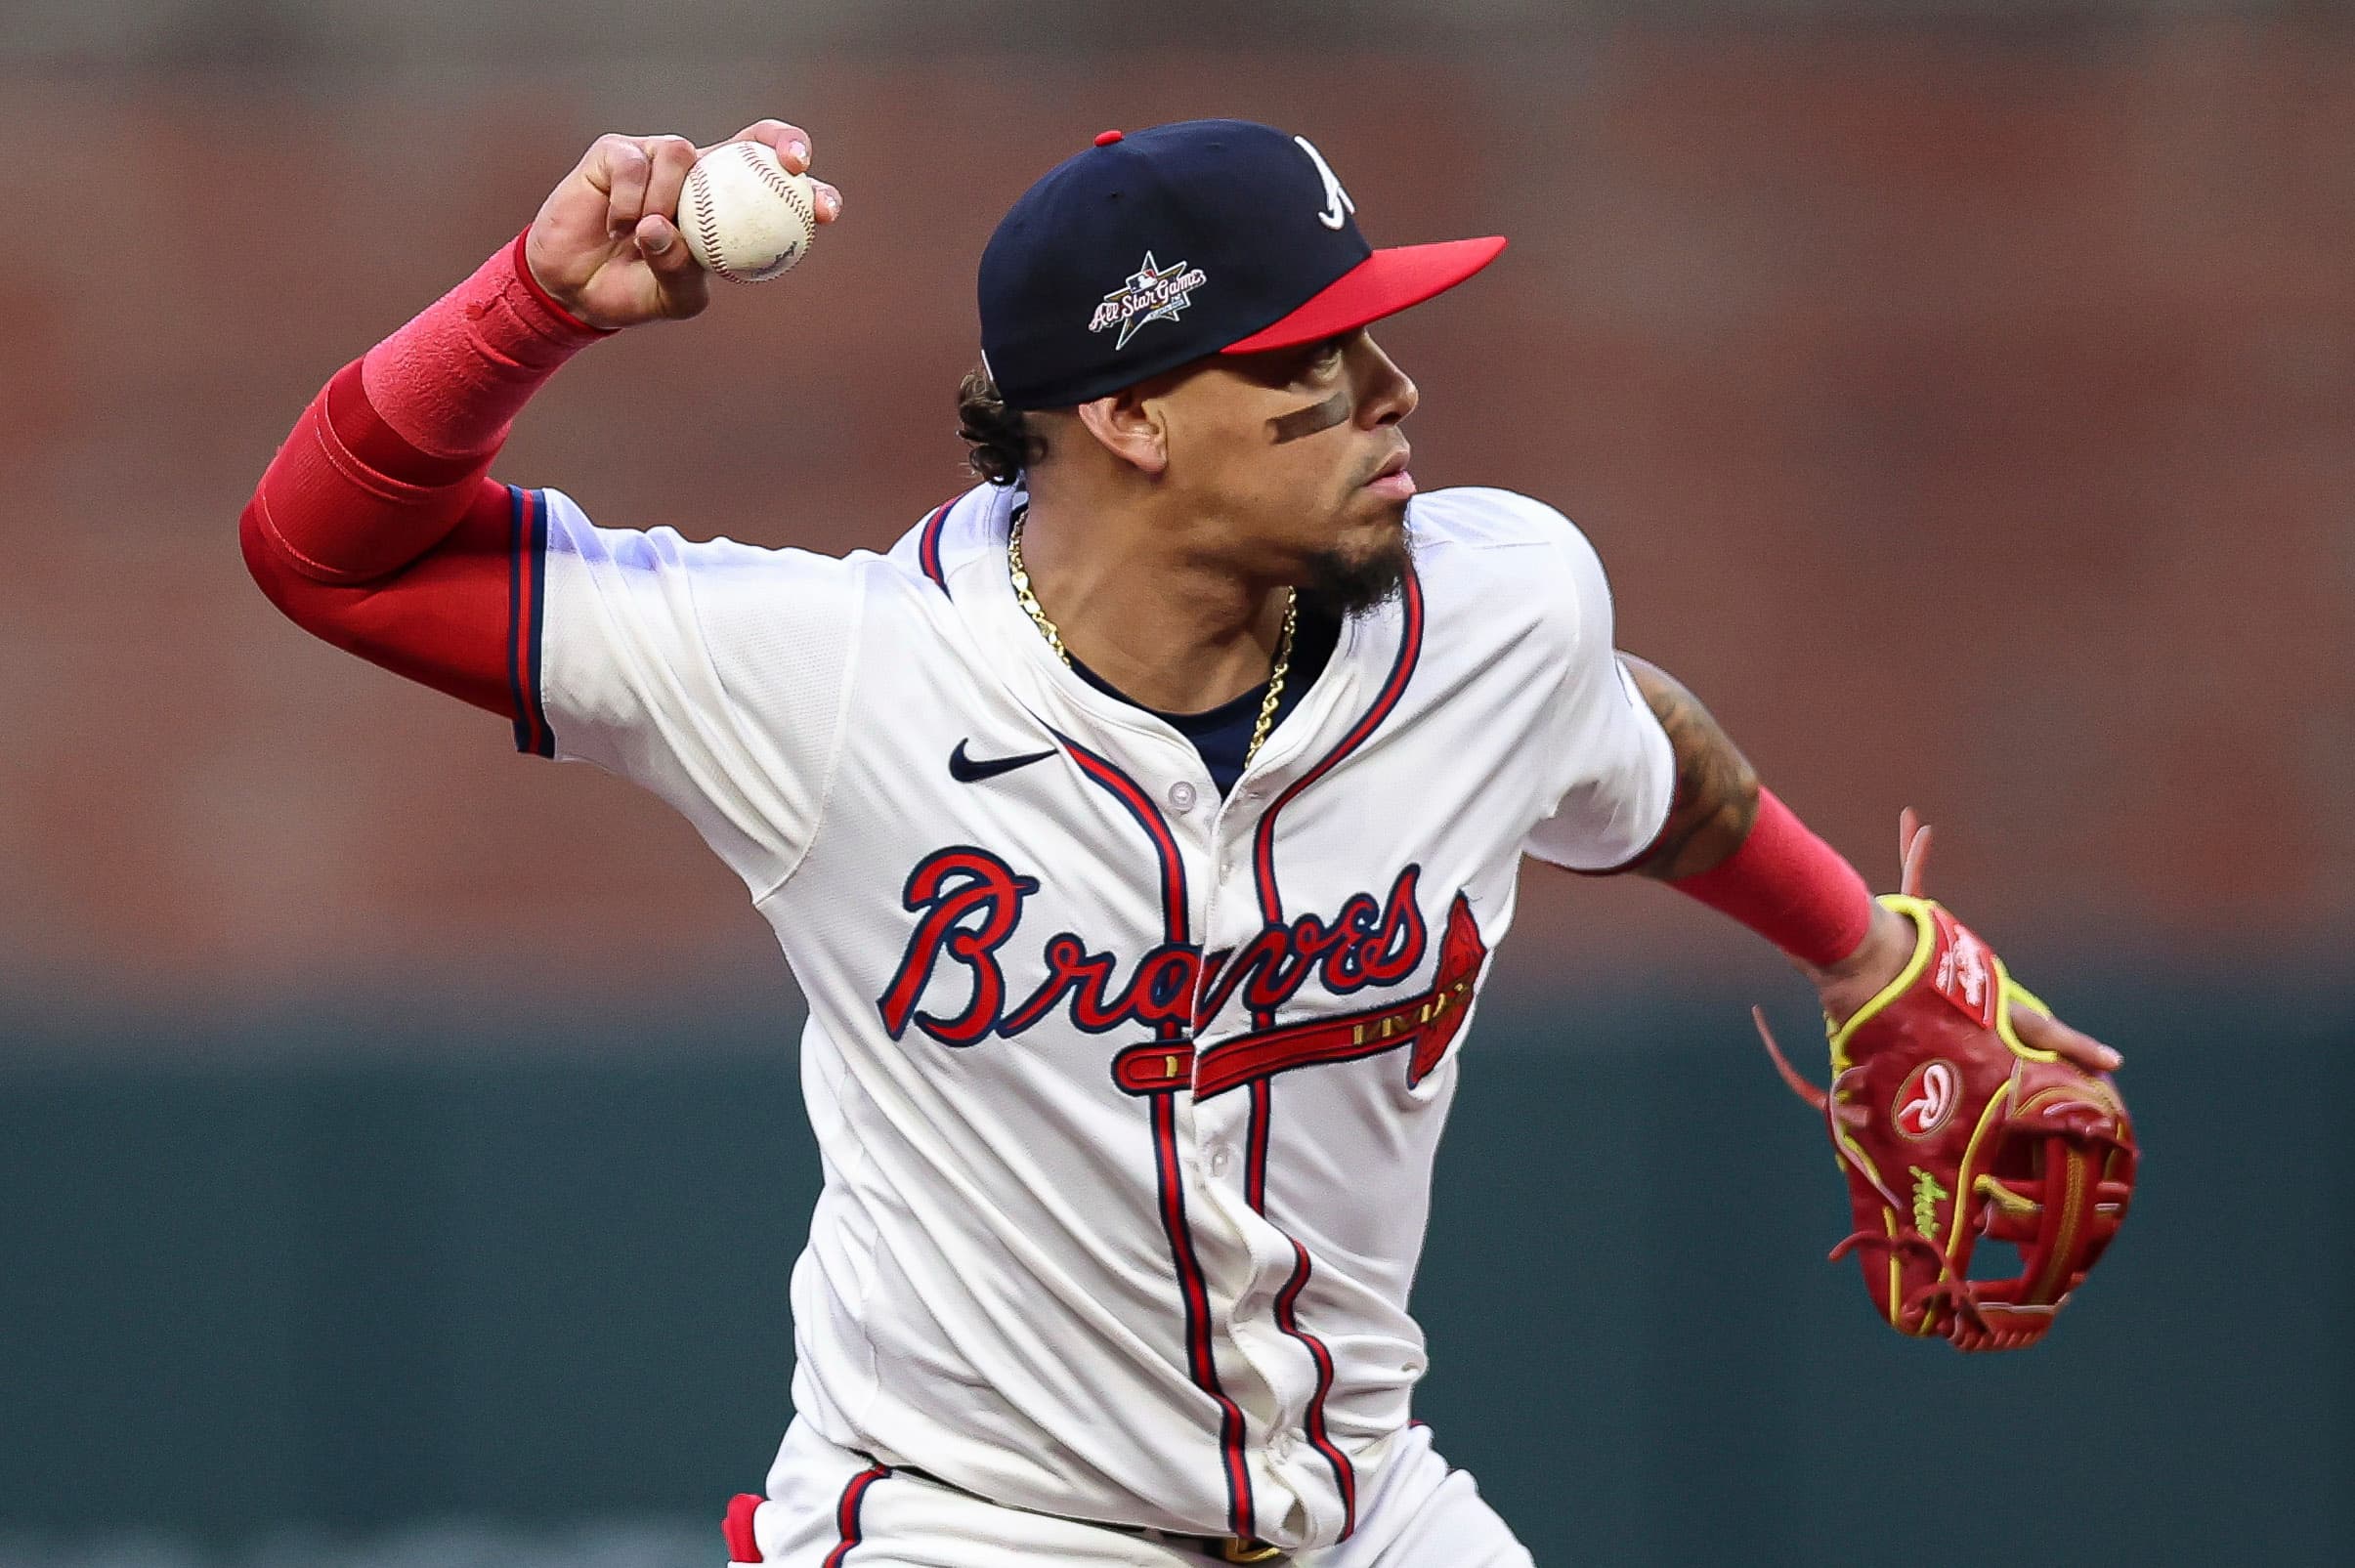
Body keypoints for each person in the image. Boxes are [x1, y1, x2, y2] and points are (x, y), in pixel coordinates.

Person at [241, 116, 2120, 1566]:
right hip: (976, 1523)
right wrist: (532, 306)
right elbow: (325, 548)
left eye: (1379, 333)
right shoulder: (826, 679)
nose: (1393, 399)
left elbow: (1635, 753)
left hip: (1365, 1503)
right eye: (1313, 356)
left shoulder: (1496, 611)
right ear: (1124, 410)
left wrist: (1859, 946)